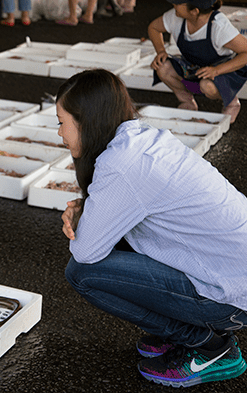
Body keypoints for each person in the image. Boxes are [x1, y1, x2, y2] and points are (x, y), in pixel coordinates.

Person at [58, 69, 247, 387]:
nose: (59, 133)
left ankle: (210, 346)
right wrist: (88, 210)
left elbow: (86, 250)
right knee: (114, 243)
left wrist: (83, 216)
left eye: (62, 122)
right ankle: (195, 326)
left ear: (86, 121)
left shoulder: (121, 165)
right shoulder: (138, 139)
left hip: (231, 294)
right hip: (233, 270)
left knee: (82, 272)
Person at [148, 0, 247, 124]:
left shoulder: (218, 26)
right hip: (194, 66)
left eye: (178, 4)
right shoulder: (175, 16)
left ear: (194, 11)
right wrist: (161, 51)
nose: (174, 6)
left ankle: (232, 103)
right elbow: (154, 28)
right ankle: (187, 102)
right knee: (162, 67)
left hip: (224, 70)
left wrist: (216, 70)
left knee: (207, 86)